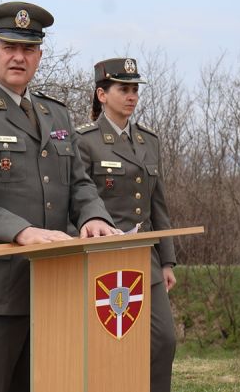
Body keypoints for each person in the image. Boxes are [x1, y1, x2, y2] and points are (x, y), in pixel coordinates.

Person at [0, 1, 119, 392]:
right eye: (9, 47)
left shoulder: (57, 114)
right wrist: (22, 231)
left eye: (29, 49)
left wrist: (93, 216)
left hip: (52, 286)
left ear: (39, 56)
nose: (19, 57)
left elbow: (79, 183)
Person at [75, 57, 178, 392]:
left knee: (163, 340)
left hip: (145, 257)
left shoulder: (149, 141)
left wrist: (167, 260)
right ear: (102, 94)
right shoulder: (84, 141)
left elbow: (157, 204)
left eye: (135, 89)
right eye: (123, 89)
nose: (132, 96)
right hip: (102, 259)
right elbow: (77, 199)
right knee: (109, 344)